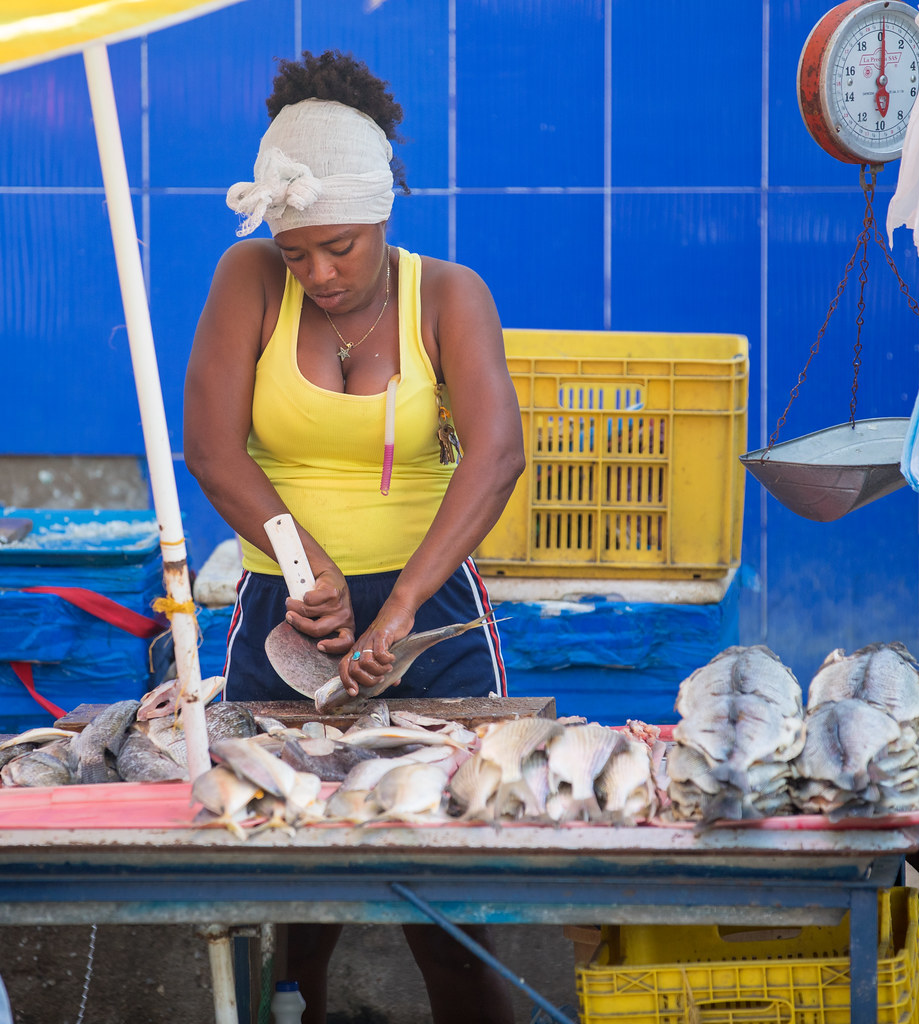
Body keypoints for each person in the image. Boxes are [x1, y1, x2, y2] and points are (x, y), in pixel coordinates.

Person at [183, 49, 524, 1024]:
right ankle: (292, 1006)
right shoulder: (247, 278)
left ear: (383, 216)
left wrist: (406, 600)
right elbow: (211, 448)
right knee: (291, 878)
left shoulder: (448, 296)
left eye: (340, 247)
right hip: (285, 613)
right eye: (298, 252)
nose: (319, 272)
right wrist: (306, 562)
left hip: (432, 612)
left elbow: (495, 454)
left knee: (448, 890)